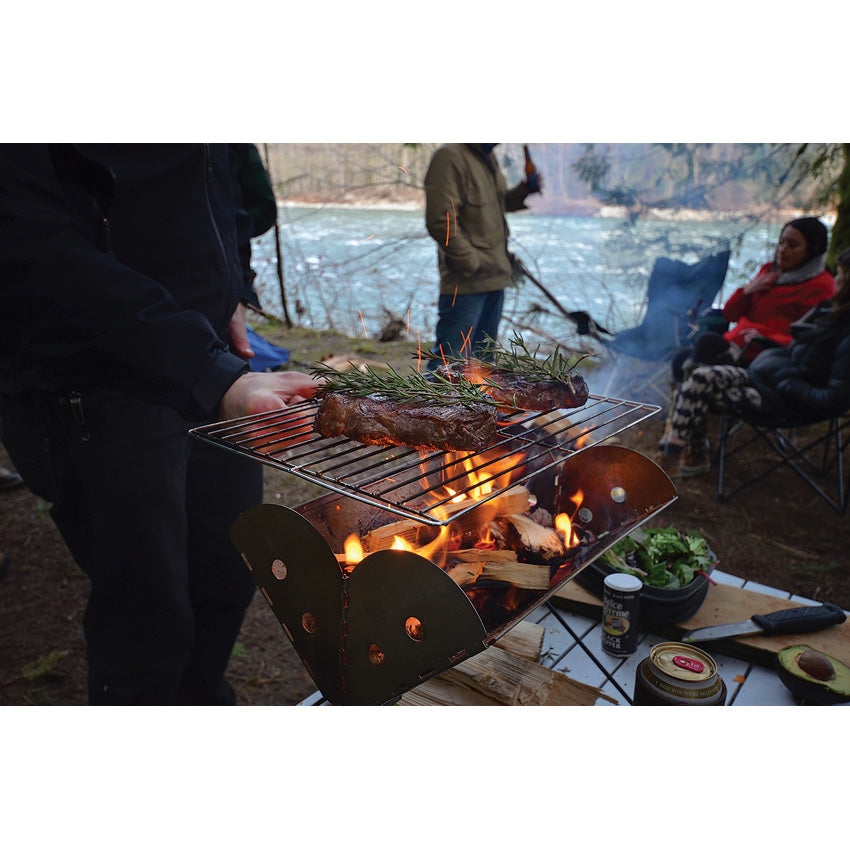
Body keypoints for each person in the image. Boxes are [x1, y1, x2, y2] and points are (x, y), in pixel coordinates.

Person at [0, 144, 321, 704]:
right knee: (147, 617)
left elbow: (226, 186)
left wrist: (235, 285)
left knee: (225, 573)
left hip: (209, 359)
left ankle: (196, 698)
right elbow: (36, 252)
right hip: (100, 379)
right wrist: (209, 374)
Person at [656, 246, 850, 478]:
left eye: (840, 274)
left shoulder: (844, 332)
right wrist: (748, 293)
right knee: (697, 375)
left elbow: (834, 399)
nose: (835, 279)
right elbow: (793, 343)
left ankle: (674, 459)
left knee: (694, 388)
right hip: (763, 375)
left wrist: (785, 383)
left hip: (780, 398)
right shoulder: (830, 311)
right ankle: (687, 453)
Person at [671, 217, 836, 383]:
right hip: (735, 344)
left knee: (705, 346)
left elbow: (813, 340)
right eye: (781, 243)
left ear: (813, 250)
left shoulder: (821, 286)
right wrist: (747, 291)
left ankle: (695, 397)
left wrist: (767, 337)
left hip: (765, 357)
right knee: (681, 359)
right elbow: (729, 314)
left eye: (792, 246)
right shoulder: (769, 272)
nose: (783, 250)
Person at [424, 144, 542, 367]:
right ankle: (433, 404)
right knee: (449, 368)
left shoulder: (487, 156)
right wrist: (472, 262)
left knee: (483, 367)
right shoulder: (450, 157)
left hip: (495, 277)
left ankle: (480, 404)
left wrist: (523, 192)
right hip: (467, 282)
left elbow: (494, 205)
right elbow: (441, 221)